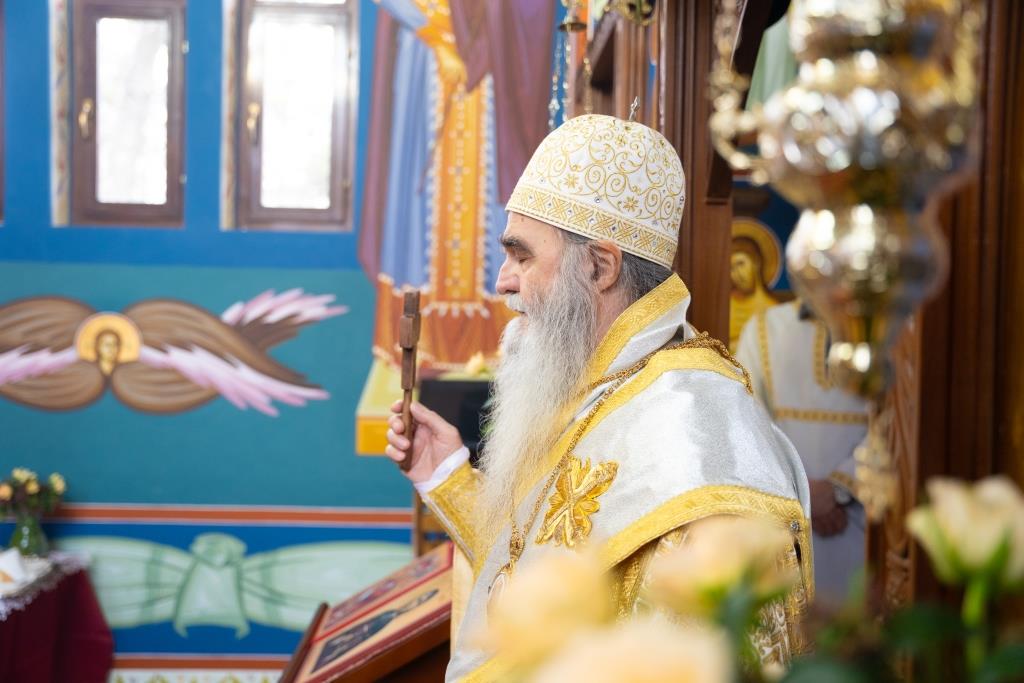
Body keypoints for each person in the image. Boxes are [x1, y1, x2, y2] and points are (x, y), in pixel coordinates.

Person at [385, 114, 812, 680]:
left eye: (522, 256)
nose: (503, 281)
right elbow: (545, 573)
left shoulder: (698, 447)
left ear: (600, 266)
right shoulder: (606, 388)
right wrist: (447, 477)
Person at [736, 300, 868, 603]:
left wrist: (838, 488)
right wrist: (804, 493)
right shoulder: (763, 328)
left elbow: (898, 423)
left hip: (862, 522)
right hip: (784, 525)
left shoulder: (888, 328)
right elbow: (745, 420)